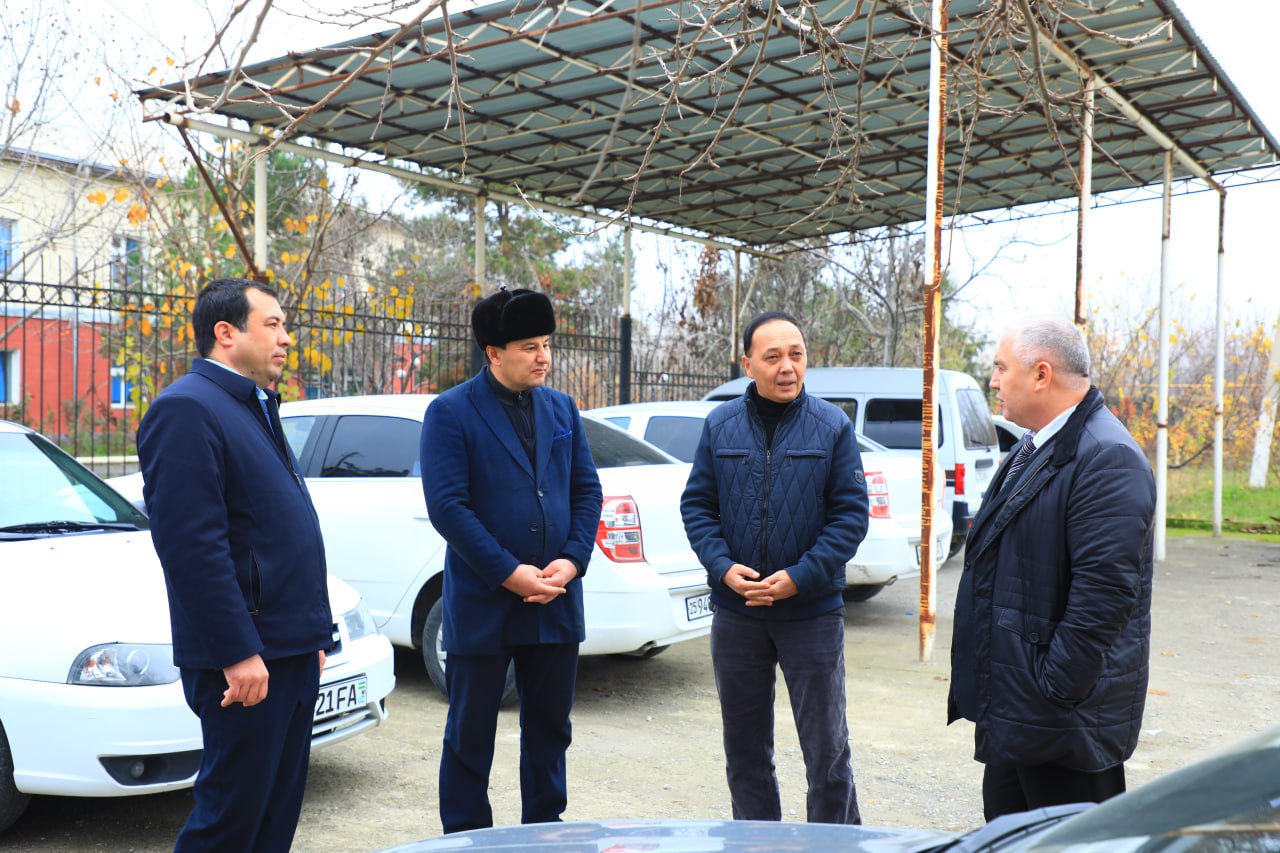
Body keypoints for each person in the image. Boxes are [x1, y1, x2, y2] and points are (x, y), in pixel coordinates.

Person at [136, 278, 332, 852]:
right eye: (272, 324)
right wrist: (237, 651)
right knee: (230, 822)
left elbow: (273, 528)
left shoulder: (254, 404)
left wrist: (310, 633)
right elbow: (192, 547)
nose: (286, 338)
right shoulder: (186, 409)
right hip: (247, 658)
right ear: (226, 333)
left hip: (288, 647)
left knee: (273, 817)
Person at [948, 314, 1157, 822]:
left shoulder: (1107, 457)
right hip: (1019, 708)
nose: (993, 381)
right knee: (1009, 836)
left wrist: (1053, 688)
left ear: (1041, 374)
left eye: (1001, 368)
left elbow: (1104, 596)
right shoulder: (1036, 444)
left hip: (1063, 723)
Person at [420, 286, 603, 833]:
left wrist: (573, 560)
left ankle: (544, 831)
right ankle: (465, 839)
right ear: (494, 353)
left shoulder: (561, 407)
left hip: (556, 597)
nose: (543, 357)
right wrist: (508, 573)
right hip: (484, 602)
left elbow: (587, 491)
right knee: (470, 735)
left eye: (546, 344)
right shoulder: (450, 412)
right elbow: (448, 508)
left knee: (550, 731)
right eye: (530, 347)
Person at [680, 310, 870, 824]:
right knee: (745, 753)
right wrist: (723, 568)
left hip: (811, 613)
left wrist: (800, 578)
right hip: (737, 613)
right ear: (748, 364)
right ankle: (757, 842)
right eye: (773, 357)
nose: (787, 367)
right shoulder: (720, 425)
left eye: (796, 355)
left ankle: (834, 844)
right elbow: (697, 507)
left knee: (827, 752)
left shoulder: (832, 426)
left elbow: (851, 517)